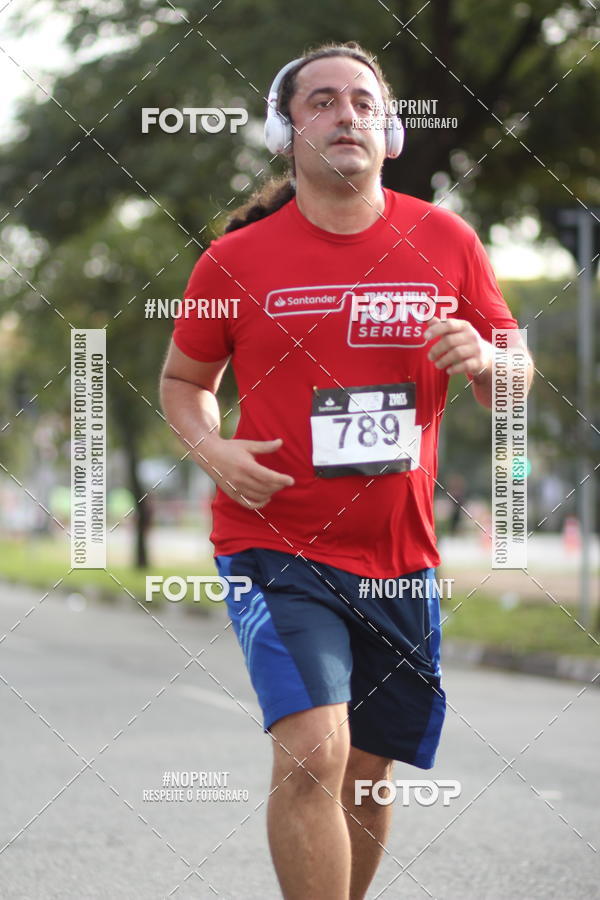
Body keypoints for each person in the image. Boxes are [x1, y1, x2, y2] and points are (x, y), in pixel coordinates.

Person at [160, 41, 533, 900]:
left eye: (364, 102)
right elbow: (183, 383)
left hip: (399, 554)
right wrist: (212, 450)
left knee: (367, 768)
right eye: (321, 101)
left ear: (390, 130)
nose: (345, 116)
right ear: (285, 131)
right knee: (313, 753)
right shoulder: (234, 262)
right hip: (275, 542)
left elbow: (513, 379)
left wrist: (487, 357)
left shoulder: (445, 238)